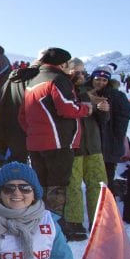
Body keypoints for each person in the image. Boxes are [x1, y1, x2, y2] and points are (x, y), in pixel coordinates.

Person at [19, 47, 96, 219]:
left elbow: (22, 115)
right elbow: (66, 107)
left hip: (35, 142)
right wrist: (85, 109)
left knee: (41, 184)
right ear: (62, 64)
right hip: (57, 141)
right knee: (57, 186)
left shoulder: (33, 81)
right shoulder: (57, 79)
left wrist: (34, 132)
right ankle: (55, 227)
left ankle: (39, 223)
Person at [62, 59, 107, 239]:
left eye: (82, 72)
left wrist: (103, 110)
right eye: (77, 72)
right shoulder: (66, 90)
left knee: (98, 185)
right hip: (74, 146)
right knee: (73, 185)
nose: (80, 75)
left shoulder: (92, 92)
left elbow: (103, 122)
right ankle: (74, 224)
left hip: (94, 146)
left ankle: (101, 223)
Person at [90, 65, 130, 183]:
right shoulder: (88, 93)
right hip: (93, 143)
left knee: (106, 178)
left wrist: (116, 137)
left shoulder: (117, 96)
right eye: (97, 79)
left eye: (104, 80)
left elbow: (124, 118)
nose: (100, 82)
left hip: (110, 143)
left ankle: (108, 199)